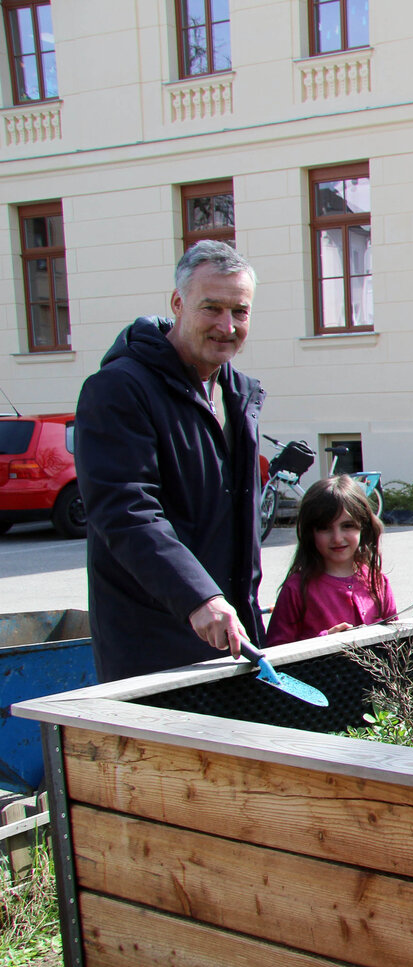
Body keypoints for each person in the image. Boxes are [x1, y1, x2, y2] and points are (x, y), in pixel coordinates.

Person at [75, 241, 265, 681]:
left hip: (232, 637)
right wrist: (198, 597)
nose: (227, 325)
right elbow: (125, 510)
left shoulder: (239, 393)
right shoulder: (119, 389)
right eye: (211, 308)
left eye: (240, 311)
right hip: (153, 648)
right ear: (178, 304)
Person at [265, 476, 397, 645]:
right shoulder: (296, 589)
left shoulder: (378, 581)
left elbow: (397, 642)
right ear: (310, 533)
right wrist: (324, 643)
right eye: (325, 528)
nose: (337, 538)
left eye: (347, 526)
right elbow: (277, 652)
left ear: (363, 526)